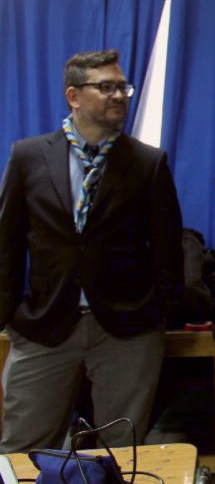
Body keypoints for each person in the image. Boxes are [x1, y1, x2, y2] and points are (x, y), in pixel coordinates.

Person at [0, 49, 183, 451]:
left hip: (127, 330)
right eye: (106, 87)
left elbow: (169, 249)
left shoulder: (147, 163)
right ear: (74, 96)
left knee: (121, 452)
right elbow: (8, 244)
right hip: (44, 326)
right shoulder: (28, 157)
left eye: (123, 87)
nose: (119, 95)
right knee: (22, 452)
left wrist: (161, 315)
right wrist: (9, 316)